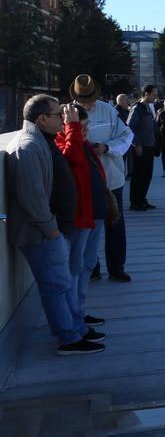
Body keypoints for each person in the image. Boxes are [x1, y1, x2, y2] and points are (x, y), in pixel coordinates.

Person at [4, 95, 102, 355]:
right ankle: (68, 339)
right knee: (56, 286)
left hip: (50, 231)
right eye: (58, 114)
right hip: (42, 234)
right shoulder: (28, 147)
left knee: (61, 284)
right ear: (41, 119)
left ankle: (74, 329)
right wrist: (52, 230)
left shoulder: (41, 141)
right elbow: (31, 197)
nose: (63, 118)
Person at [54, 104, 111, 340]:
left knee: (87, 264)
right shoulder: (64, 144)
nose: (85, 131)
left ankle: (80, 311)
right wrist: (73, 128)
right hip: (80, 218)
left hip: (94, 216)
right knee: (75, 267)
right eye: (81, 126)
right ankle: (74, 319)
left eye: (86, 127)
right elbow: (71, 159)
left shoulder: (81, 142)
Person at [72, 75, 134, 283]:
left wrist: (107, 148)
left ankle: (117, 267)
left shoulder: (108, 110)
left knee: (115, 224)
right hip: (83, 181)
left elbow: (127, 136)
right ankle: (92, 267)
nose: (87, 103)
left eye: (90, 98)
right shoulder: (67, 113)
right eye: (83, 99)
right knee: (86, 227)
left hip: (111, 177)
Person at [126, 84, 159, 211]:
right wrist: (137, 144)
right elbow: (129, 127)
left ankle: (142, 199)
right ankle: (135, 202)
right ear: (146, 94)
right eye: (154, 94)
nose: (156, 97)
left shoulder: (148, 107)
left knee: (147, 175)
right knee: (139, 175)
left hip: (149, 146)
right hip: (141, 147)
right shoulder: (137, 107)